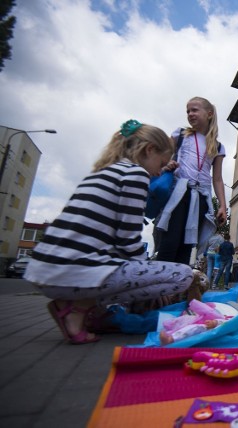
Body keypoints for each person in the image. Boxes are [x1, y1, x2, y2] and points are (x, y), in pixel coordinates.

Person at [24, 120, 195, 344]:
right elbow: (128, 242)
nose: (158, 172)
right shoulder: (136, 175)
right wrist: (153, 288)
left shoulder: (102, 172)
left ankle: (87, 311)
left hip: (42, 271)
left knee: (132, 269)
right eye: (161, 163)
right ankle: (80, 308)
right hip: (74, 273)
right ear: (149, 150)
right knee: (183, 275)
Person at [155, 96, 228, 265]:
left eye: (194, 110)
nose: (190, 114)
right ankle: (159, 284)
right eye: (188, 111)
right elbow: (160, 158)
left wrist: (223, 206)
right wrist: (167, 164)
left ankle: (176, 287)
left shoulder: (217, 147)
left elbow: (217, 178)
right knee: (170, 240)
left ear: (209, 114)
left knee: (187, 245)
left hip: (200, 197)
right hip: (178, 194)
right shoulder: (180, 134)